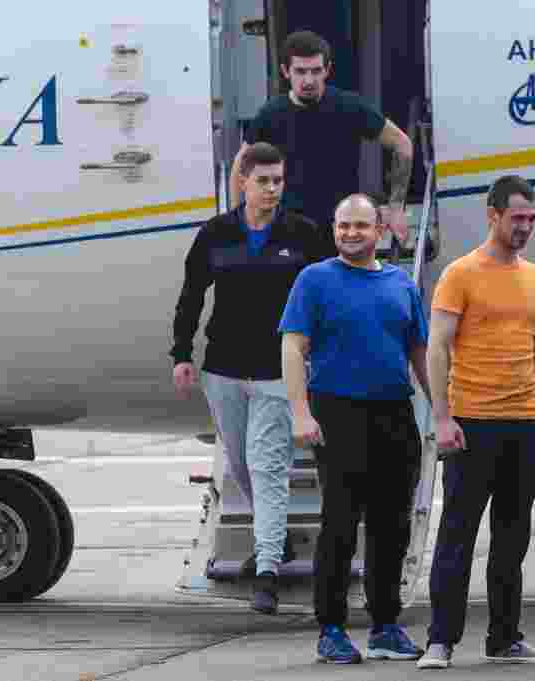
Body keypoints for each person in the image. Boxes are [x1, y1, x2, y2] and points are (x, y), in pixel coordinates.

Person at [170, 142, 333, 615]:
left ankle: (266, 572)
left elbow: (327, 290)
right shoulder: (216, 234)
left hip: (276, 372)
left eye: (279, 180)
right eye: (263, 181)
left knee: (267, 467)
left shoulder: (302, 234)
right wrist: (182, 353)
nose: (272, 189)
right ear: (242, 182)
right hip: (222, 368)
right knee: (241, 463)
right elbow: (191, 295)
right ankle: (274, 541)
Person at [416, 175, 535, 670]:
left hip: (523, 425)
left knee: (512, 537)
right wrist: (441, 417)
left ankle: (504, 639)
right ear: (493, 215)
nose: (525, 227)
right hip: (471, 422)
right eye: (517, 218)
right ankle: (440, 640)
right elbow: (437, 347)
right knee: (458, 534)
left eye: (532, 219)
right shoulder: (460, 273)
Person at [279, 193, 430, 664]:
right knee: (340, 526)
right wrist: (301, 413)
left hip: (394, 413)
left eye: (360, 226)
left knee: (392, 525)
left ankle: (385, 625)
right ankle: (332, 628)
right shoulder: (315, 280)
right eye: (343, 226)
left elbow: (420, 355)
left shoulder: (401, 285)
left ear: (379, 231)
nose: (350, 234)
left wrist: (443, 410)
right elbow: (292, 348)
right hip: (337, 413)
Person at [232, 30, 414, 246]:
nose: (308, 80)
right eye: (300, 71)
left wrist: (395, 208)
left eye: (316, 71)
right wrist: (238, 221)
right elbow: (240, 166)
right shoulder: (270, 114)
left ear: (327, 70)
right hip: (289, 233)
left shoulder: (349, 107)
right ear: (285, 71)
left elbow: (402, 144)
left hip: (341, 231)